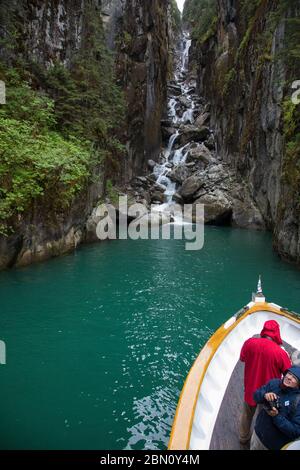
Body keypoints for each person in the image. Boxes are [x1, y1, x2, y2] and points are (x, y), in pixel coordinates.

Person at [239, 320, 292, 444]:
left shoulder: (249, 343)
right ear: (277, 333)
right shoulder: (280, 353)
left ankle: (243, 438)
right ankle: (256, 441)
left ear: (264, 330)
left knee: (247, 415)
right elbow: (288, 374)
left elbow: (242, 358)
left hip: (251, 387)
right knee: (263, 417)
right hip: (270, 393)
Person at [250, 366, 300, 450]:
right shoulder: (274, 383)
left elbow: (295, 432)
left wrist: (276, 416)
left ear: (298, 384)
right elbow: (255, 396)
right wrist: (264, 395)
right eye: (289, 374)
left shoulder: (298, 402)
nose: (289, 377)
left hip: (272, 446)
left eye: (294, 377)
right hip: (257, 435)